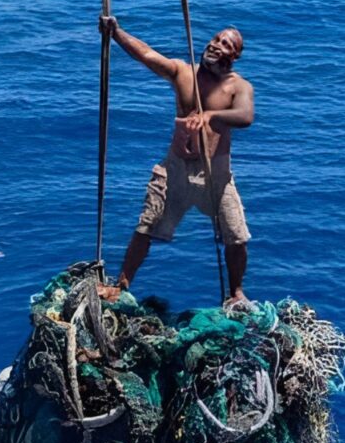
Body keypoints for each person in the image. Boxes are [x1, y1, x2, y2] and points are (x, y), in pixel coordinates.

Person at [96, 16, 255, 306]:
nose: (216, 45)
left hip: (215, 177)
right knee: (146, 226)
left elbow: (245, 116)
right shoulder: (184, 72)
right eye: (216, 39)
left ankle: (236, 293)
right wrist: (116, 33)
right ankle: (121, 285)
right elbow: (147, 55)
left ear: (234, 56)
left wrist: (211, 115)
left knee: (237, 236)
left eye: (225, 44)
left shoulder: (238, 87)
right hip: (175, 170)